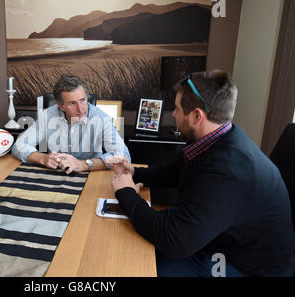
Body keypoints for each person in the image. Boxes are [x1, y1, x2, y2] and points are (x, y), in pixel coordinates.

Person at [108, 70, 294, 277]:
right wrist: (136, 173)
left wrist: (126, 194)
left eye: (177, 109)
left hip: (244, 266)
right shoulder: (221, 137)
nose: (174, 114)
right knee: (138, 237)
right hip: (221, 238)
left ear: (197, 116)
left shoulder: (227, 171)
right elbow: (174, 170)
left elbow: (174, 242)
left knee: (136, 267)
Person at [12, 75, 130, 174]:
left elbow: (122, 155)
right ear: (61, 106)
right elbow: (19, 145)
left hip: (90, 175)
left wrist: (84, 164)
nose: (81, 109)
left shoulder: (100, 117)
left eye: (83, 100)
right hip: (54, 175)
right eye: (72, 103)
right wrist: (43, 158)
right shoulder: (48, 115)